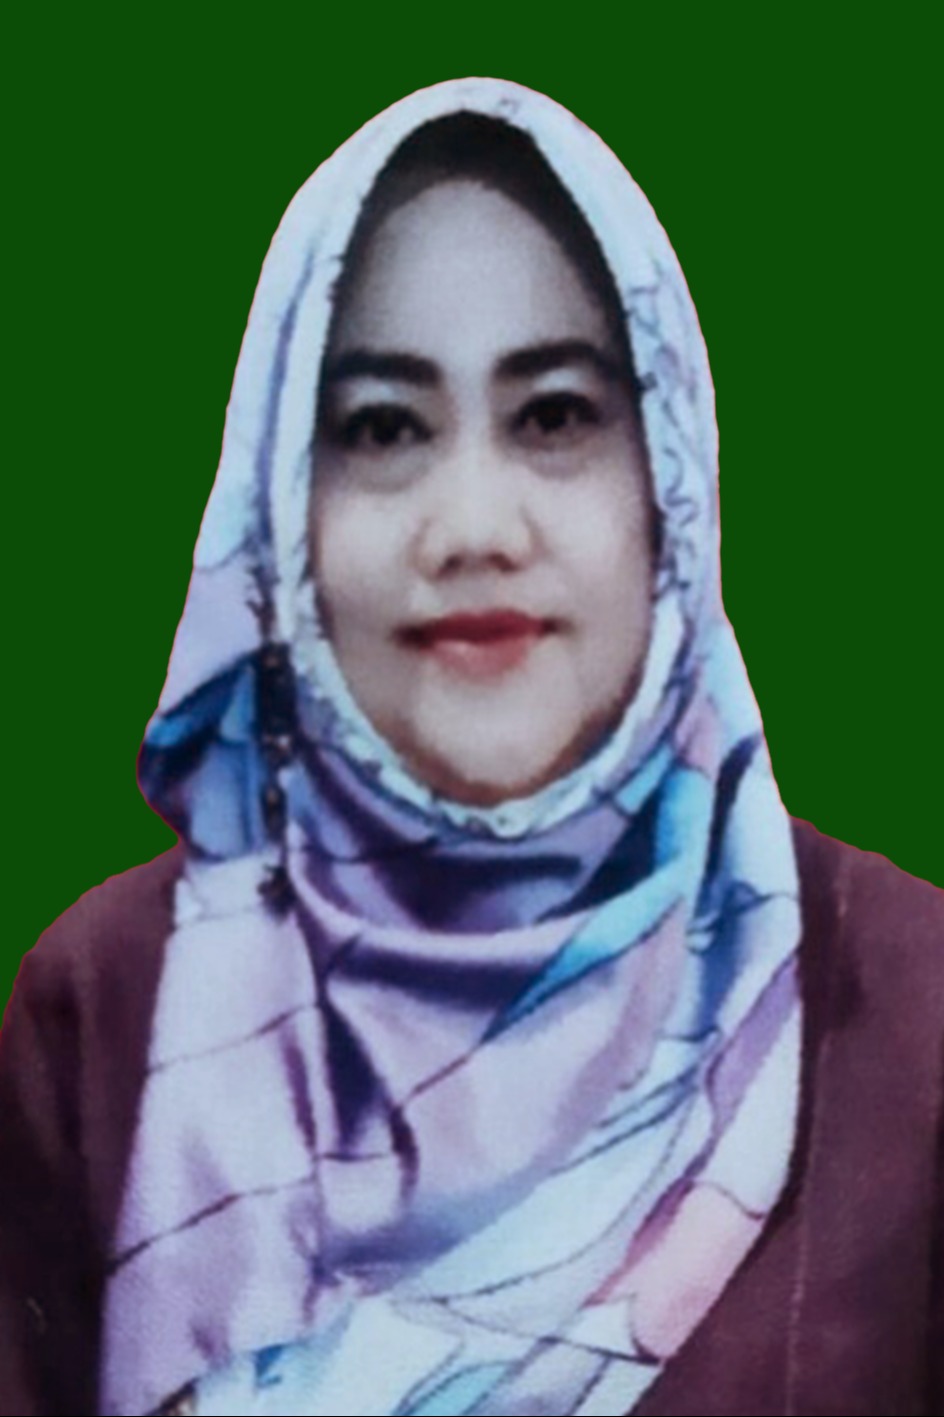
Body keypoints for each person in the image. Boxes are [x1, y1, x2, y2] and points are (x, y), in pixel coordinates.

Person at [0, 77, 941, 1417]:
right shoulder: (108, 1004)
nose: (474, 527)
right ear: (282, 511)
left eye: (553, 415)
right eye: (383, 428)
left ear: (669, 483)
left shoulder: (908, 1006)